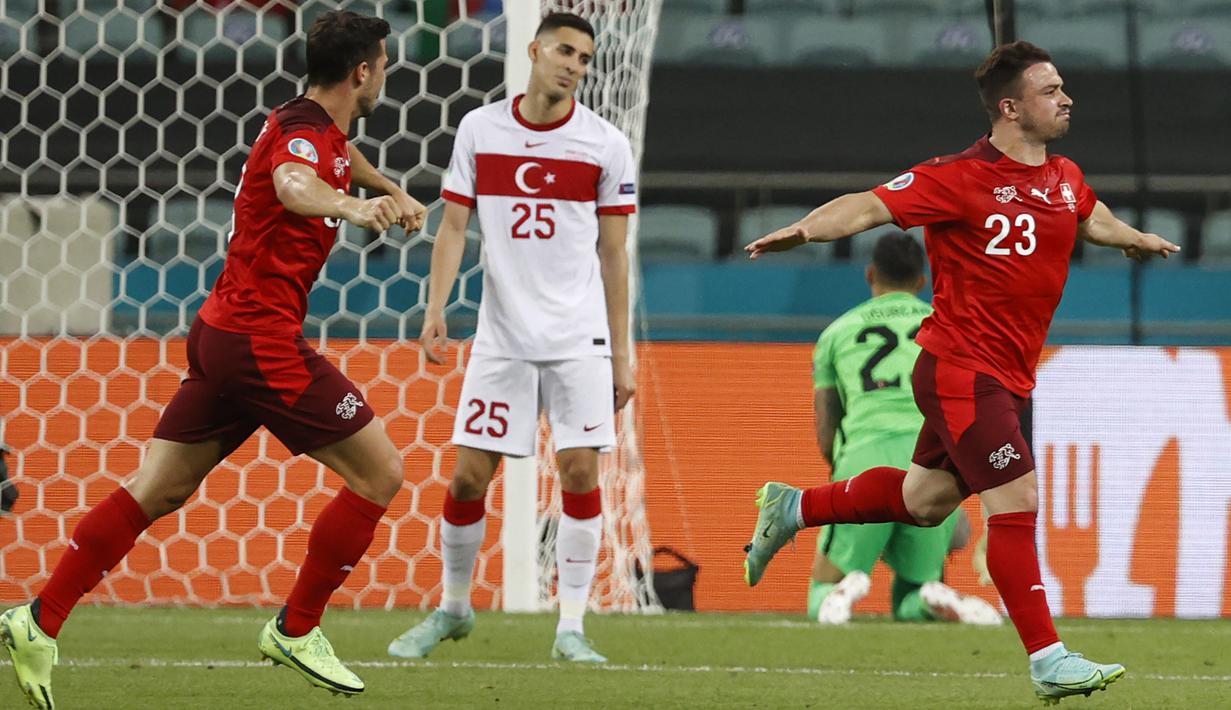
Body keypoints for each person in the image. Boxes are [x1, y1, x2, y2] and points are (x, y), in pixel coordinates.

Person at [0, 11, 427, 707]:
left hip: (223, 334)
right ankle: (296, 627)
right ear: (363, 72)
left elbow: (333, 162)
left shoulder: (307, 123)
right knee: (381, 471)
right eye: (384, 64)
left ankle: (37, 620)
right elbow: (296, 185)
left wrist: (386, 190)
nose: (385, 74)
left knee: (158, 489)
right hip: (259, 340)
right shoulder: (300, 141)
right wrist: (351, 210)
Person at [741, 41, 1178, 705]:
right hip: (959, 368)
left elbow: (1093, 220)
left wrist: (1136, 240)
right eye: (1049, 89)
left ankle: (793, 506)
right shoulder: (957, 177)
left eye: (1061, 88)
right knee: (1016, 504)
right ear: (1009, 107)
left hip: (1007, 376)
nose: (1065, 98)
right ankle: (1047, 660)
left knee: (925, 504)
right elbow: (865, 205)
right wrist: (802, 231)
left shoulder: (1063, 175)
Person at [387, 11, 636, 664]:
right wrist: (435, 308)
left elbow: (615, 255)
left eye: (583, 59)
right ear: (533, 50)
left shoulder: (604, 144)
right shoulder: (480, 128)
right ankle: (453, 608)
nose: (573, 66)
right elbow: (452, 228)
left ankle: (571, 627)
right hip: (501, 339)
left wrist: (621, 353)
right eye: (563, 51)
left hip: (578, 337)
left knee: (580, 469)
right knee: (469, 478)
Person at [807, 232, 1000, 627]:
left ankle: (844, 589)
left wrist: (841, 480)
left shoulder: (836, 333)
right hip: (931, 463)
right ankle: (932, 599)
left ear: (870, 274)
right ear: (921, 282)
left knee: (821, 590)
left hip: (864, 459)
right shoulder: (949, 328)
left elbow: (827, 426)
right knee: (915, 589)